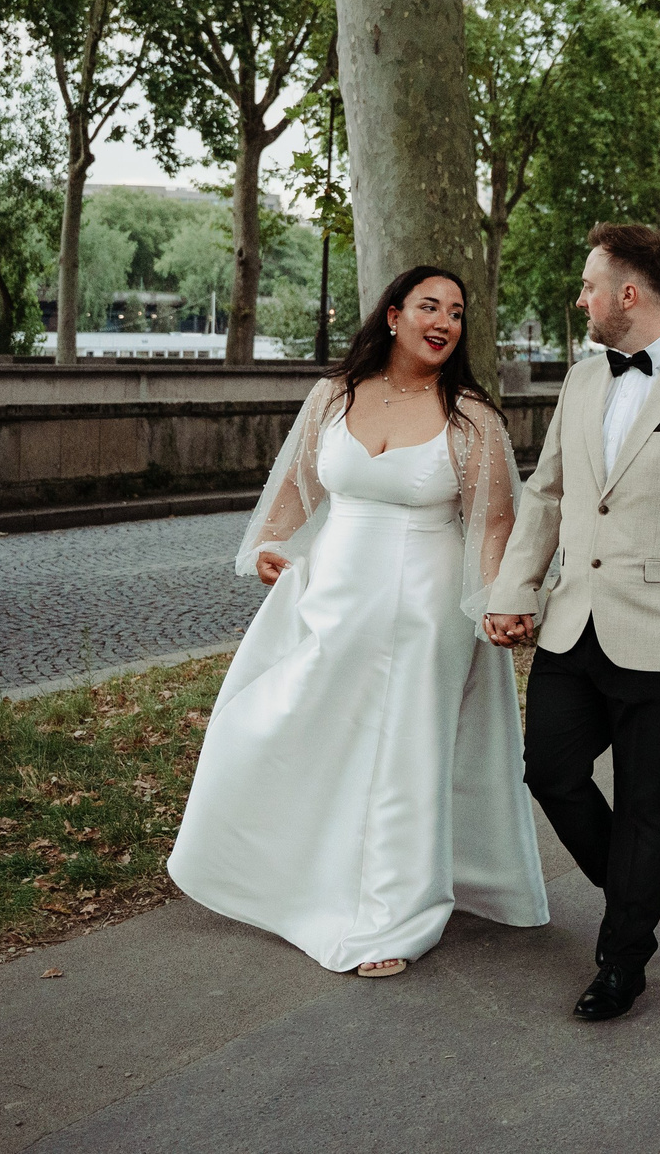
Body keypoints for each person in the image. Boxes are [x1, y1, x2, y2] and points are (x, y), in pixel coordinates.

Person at [168, 267, 548, 977]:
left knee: (402, 754)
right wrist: (270, 551)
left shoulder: (470, 417)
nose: (445, 321)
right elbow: (293, 493)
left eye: (458, 312)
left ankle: (390, 918)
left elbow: (494, 525)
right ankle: (292, 873)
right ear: (395, 314)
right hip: (331, 598)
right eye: (430, 306)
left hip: (424, 609)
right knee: (288, 723)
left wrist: (502, 601)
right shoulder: (333, 395)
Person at [484, 223, 660, 1022]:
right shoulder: (581, 382)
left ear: (628, 293)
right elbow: (546, 494)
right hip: (573, 623)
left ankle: (623, 958)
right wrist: (514, 589)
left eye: (588, 286)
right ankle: (635, 884)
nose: (579, 298)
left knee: (648, 798)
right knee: (548, 769)